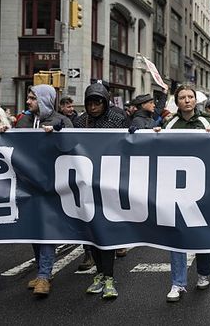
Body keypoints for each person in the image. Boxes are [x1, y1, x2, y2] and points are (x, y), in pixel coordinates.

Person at [160, 85, 210, 301]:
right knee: (177, 234)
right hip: (176, 187)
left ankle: (203, 273)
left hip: (202, 187)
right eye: (182, 97)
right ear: (177, 101)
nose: (187, 100)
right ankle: (178, 283)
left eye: (190, 97)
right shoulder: (169, 124)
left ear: (195, 100)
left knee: (200, 232)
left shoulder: (207, 122)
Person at [74, 82, 129, 300]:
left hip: (108, 184)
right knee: (90, 234)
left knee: (105, 231)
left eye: (98, 102)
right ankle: (99, 274)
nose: (94, 106)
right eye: (90, 102)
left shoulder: (117, 120)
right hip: (85, 185)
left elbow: (128, 145)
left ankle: (109, 278)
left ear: (105, 102)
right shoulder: (79, 122)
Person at [16, 84, 73, 297]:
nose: (28, 101)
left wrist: (57, 136)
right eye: (29, 97)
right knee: (34, 229)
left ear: (44, 99)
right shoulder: (24, 121)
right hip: (28, 184)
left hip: (51, 184)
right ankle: (43, 270)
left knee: (47, 229)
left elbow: (72, 148)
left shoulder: (61, 121)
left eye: (32, 98)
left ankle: (43, 275)